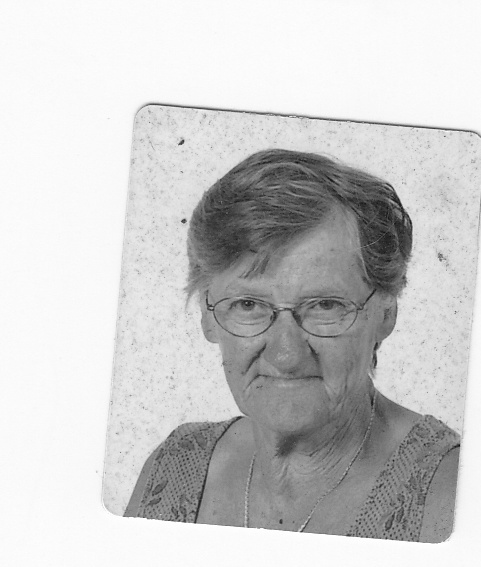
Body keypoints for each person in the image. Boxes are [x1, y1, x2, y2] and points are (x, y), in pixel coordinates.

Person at [125, 149, 460, 542]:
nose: (286, 355)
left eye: (325, 305)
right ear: (208, 315)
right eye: (248, 305)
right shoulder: (174, 467)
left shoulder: (450, 494)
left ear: (386, 314)